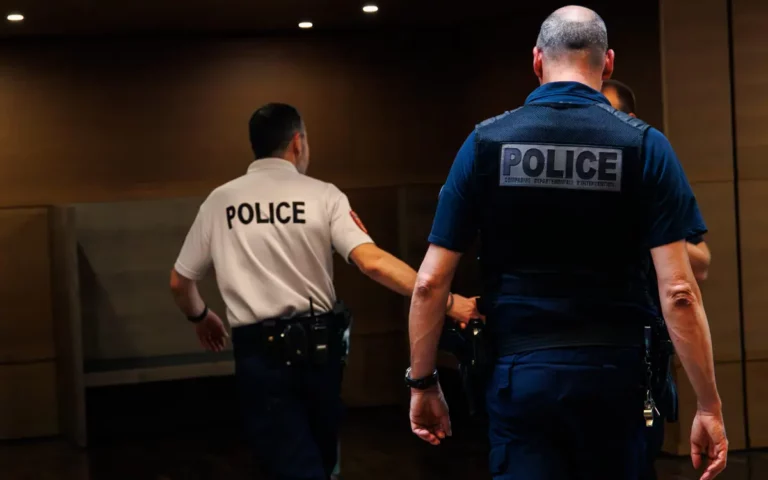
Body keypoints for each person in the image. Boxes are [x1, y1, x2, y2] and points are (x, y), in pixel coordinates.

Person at [405, 6, 728, 480]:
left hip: (521, 378)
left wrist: (423, 382)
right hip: (617, 379)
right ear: (608, 63)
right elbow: (680, 291)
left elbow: (430, 284)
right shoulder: (645, 146)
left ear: (537, 60)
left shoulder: (484, 144)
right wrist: (709, 405)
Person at [169, 103, 480, 480]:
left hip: (260, 356)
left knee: (288, 463)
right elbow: (373, 263)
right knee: (321, 461)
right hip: (320, 353)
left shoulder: (221, 201)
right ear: (297, 143)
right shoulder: (323, 195)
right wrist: (448, 302)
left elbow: (180, 282)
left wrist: (201, 317)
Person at [602, 78, 713, 479]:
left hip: (640, 352)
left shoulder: (653, 172)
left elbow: (700, 263)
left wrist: (651, 236)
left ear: (630, 119)